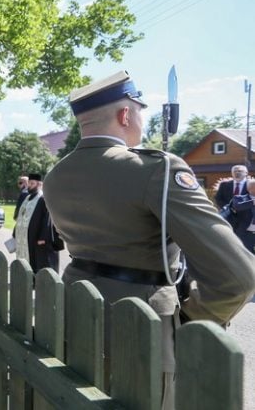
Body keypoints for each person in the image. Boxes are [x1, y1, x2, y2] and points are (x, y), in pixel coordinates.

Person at [43, 70, 255, 410]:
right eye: (140, 110)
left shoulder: (55, 177)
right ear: (126, 114)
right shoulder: (156, 169)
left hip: (74, 318)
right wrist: (188, 317)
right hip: (144, 334)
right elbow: (239, 277)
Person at [12, 174, 63, 273]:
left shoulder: (44, 199)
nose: (29, 186)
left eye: (32, 183)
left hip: (37, 238)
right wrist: (15, 232)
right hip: (26, 238)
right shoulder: (27, 199)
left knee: (37, 262)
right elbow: (20, 218)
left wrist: (43, 237)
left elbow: (48, 219)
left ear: (39, 184)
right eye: (29, 183)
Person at [231, 179, 255, 253]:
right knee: (246, 254)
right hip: (246, 233)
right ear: (249, 188)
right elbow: (238, 207)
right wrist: (253, 201)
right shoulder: (239, 198)